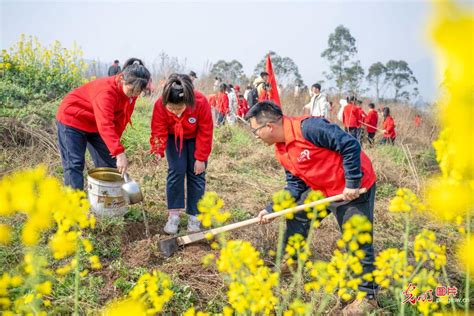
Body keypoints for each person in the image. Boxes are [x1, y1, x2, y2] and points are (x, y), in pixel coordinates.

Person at [245, 101, 378, 313]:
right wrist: (272, 208)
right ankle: (295, 261)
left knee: (357, 239)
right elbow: (295, 185)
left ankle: (367, 296)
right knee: (297, 213)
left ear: (268, 126)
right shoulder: (281, 150)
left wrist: (352, 182)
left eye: (255, 131)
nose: (255, 136)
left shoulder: (309, 128)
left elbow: (350, 145)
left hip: (352, 188)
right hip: (323, 189)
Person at [56, 58, 151, 190]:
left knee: (109, 164)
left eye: (137, 92)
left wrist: (114, 147)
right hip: (72, 120)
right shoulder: (106, 91)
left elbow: (121, 119)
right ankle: (75, 207)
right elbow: (105, 124)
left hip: (94, 123)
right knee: (74, 164)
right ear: (122, 78)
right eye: (131, 91)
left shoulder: (131, 94)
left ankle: (106, 203)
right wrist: (119, 152)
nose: (133, 95)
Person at [150, 74, 213, 234]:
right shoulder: (160, 104)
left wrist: (200, 158)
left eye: (179, 109)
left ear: (188, 101)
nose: (176, 112)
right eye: (171, 108)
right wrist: (157, 150)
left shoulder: (200, 102)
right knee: (176, 171)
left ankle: (194, 216)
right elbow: (158, 129)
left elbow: (206, 131)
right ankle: (174, 215)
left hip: (196, 139)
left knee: (197, 173)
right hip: (173, 139)